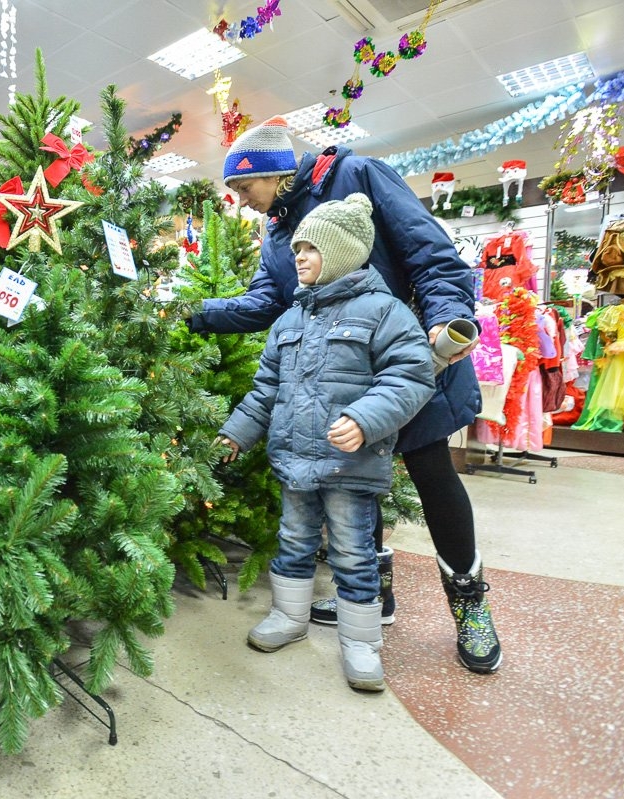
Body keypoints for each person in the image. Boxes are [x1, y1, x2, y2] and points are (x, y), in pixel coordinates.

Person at [189, 115, 503, 674]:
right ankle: (375, 597)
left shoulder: (359, 175)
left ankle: (470, 606)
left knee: (432, 476)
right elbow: (268, 302)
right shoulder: (279, 230)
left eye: (243, 188)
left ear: (274, 171)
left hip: (409, 361)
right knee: (353, 479)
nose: (240, 202)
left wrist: (447, 321)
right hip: (338, 380)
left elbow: (431, 257)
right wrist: (191, 315)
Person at [217, 193, 435, 692]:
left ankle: (361, 642)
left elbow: (411, 375)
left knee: (353, 552)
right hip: (294, 461)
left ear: (341, 253)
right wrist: (235, 434)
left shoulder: (384, 312)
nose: (299, 257)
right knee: (293, 542)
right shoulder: (288, 322)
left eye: (311, 248)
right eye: (297, 249)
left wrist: (364, 418)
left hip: (349, 465)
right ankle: (289, 617)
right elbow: (264, 391)